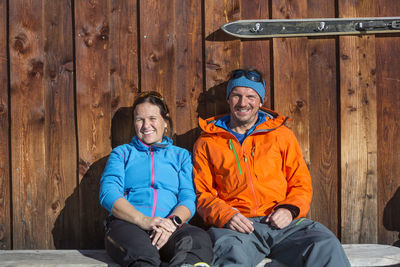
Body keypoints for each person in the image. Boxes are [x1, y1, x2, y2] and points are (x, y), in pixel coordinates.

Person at [193, 68, 351, 267]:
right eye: (236, 96)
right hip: (237, 228)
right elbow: (202, 194)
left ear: (260, 101)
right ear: (228, 99)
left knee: (324, 243)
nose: (243, 103)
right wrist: (226, 215)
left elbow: (300, 183)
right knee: (229, 255)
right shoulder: (208, 142)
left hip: (284, 225)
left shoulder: (281, 135)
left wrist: (289, 209)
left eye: (251, 96)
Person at [100, 91, 213, 267]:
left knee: (197, 239)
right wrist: (143, 220)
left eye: (152, 118)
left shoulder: (181, 156)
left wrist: (171, 223)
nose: (146, 125)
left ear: (165, 122)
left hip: (170, 227)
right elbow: (108, 193)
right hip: (128, 226)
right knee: (143, 255)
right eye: (139, 119)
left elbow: (188, 198)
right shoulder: (122, 153)